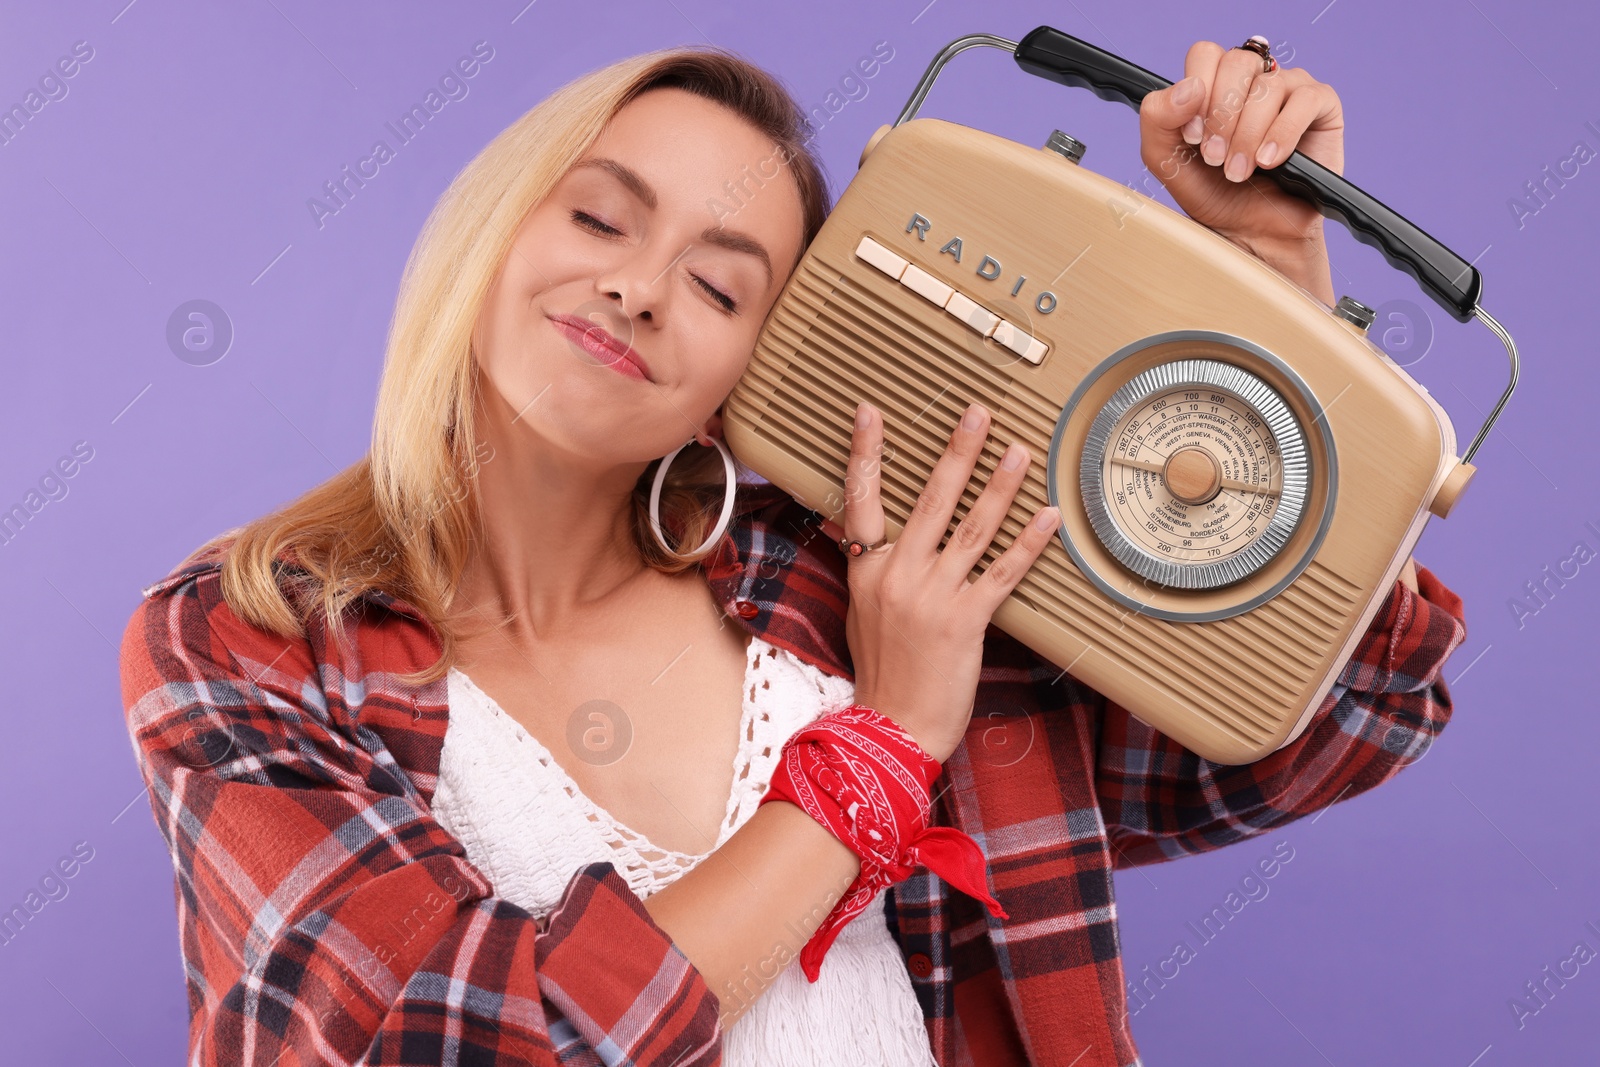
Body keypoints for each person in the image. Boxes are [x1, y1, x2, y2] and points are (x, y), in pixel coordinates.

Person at [119, 36, 1467, 1067]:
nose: (639, 288)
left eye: (719, 285)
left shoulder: (865, 587)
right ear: (491, 227)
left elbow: (1327, 729)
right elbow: (446, 1043)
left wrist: (1285, 302)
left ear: (752, 381)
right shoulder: (241, 640)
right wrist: (879, 752)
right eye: (598, 218)